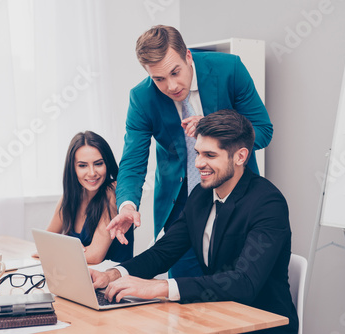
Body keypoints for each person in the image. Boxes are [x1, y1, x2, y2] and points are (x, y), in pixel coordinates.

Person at [93, 110, 298, 334]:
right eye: (198, 153)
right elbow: (164, 252)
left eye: (210, 155)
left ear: (240, 157)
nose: (199, 163)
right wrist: (113, 274)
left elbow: (244, 282)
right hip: (217, 315)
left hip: (262, 323)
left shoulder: (268, 203)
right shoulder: (200, 194)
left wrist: (161, 287)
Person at [107, 25, 273, 278]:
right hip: (182, 211)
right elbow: (133, 161)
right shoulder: (142, 98)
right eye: (159, 79)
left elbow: (263, 130)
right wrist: (127, 206)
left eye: (175, 72)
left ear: (187, 56)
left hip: (236, 201)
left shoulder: (230, 70)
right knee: (180, 301)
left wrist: (213, 128)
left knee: (236, 292)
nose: (171, 86)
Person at [43, 131, 133, 264]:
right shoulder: (71, 196)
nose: (92, 173)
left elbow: (94, 256)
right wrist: (70, 250)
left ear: (107, 164)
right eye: (82, 165)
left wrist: (62, 249)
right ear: (72, 168)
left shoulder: (112, 192)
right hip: (81, 277)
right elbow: (45, 243)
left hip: (113, 281)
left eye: (98, 164)